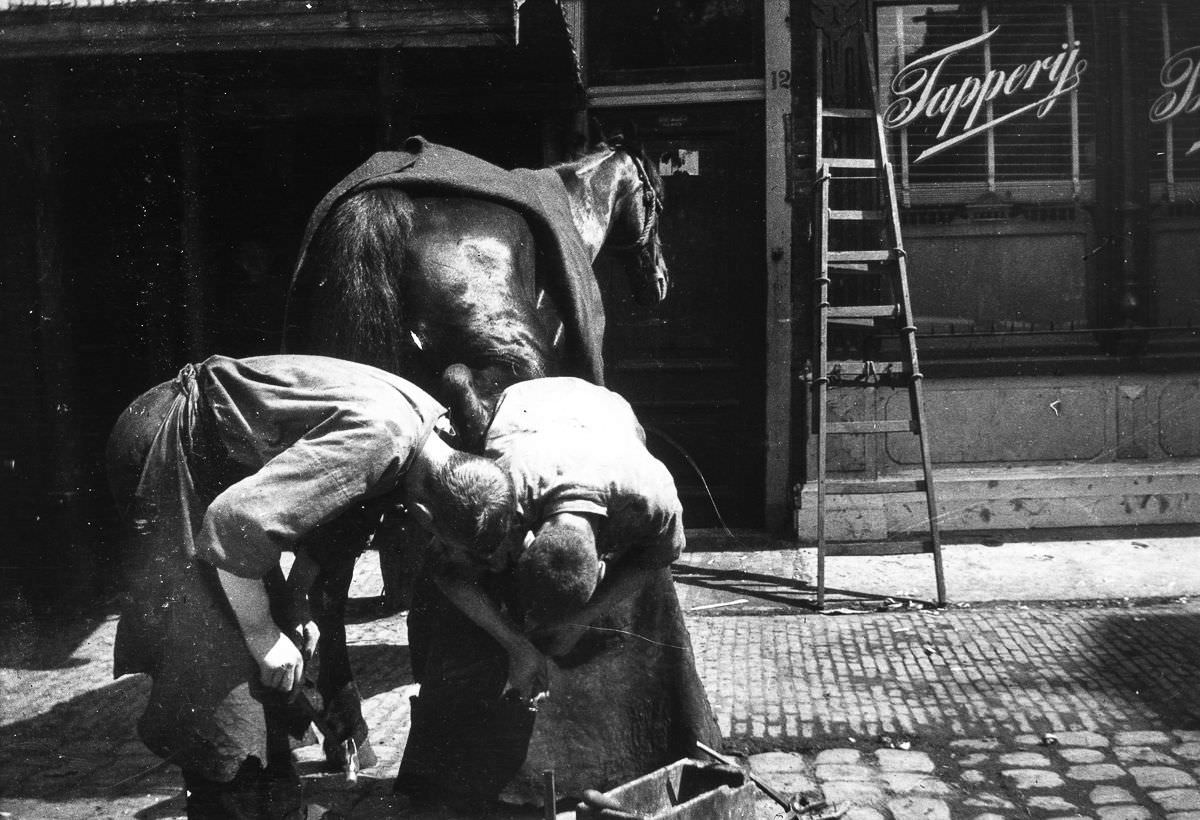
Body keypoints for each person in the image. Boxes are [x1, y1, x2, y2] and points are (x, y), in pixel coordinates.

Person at [105, 354, 514, 820]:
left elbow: (339, 503)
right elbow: (235, 521)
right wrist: (261, 633)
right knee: (220, 666)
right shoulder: (379, 442)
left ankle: (264, 792)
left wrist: (296, 597)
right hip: (167, 441)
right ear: (425, 517)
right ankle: (230, 798)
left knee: (271, 642)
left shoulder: (427, 431)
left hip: (209, 458)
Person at [396, 374, 719, 808]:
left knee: (649, 595)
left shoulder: (654, 496)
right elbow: (447, 572)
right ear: (524, 538)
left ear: (604, 560)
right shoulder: (504, 488)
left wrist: (585, 616)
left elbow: (661, 555)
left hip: (605, 413)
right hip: (527, 411)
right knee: (475, 592)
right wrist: (515, 645)